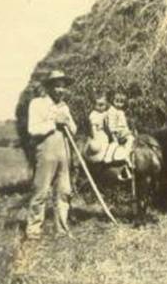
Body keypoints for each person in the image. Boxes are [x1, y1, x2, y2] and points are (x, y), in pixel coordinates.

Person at [26, 70, 77, 240]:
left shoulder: (64, 107)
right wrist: (53, 122)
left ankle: (61, 229)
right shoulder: (37, 104)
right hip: (46, 152)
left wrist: (67, 121)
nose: (60, 90)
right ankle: (33, 230)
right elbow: (32, 129)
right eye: (57, 86)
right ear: (49, 87)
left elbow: (74, 131)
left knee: (64, 191)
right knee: (41, 191)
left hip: (64, 151)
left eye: (63, 87)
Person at [105, 91, 134, 176]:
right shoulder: (111, 111)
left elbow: (124, 125)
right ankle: (126, 156)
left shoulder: (120, 111)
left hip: (123, 131)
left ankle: (128, 154)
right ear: (112, 100)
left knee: (133, 139)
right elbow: (111, 125)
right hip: (117, 132)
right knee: (130, 139)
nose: (118, 104)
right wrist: (114, 134)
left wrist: (128, 130)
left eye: (121, 102)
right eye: (116, 101)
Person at [84, 93, 110, 163]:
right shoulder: (94, 114)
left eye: (103, 105)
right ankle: (99, 158)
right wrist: (95, 137)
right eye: (98, 105)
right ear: (94, 105)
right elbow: (93, 127)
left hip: (104, 132)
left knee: (107, 141)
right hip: (98, 133)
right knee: (99, 145)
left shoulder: (105, 113)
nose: (101, 107)